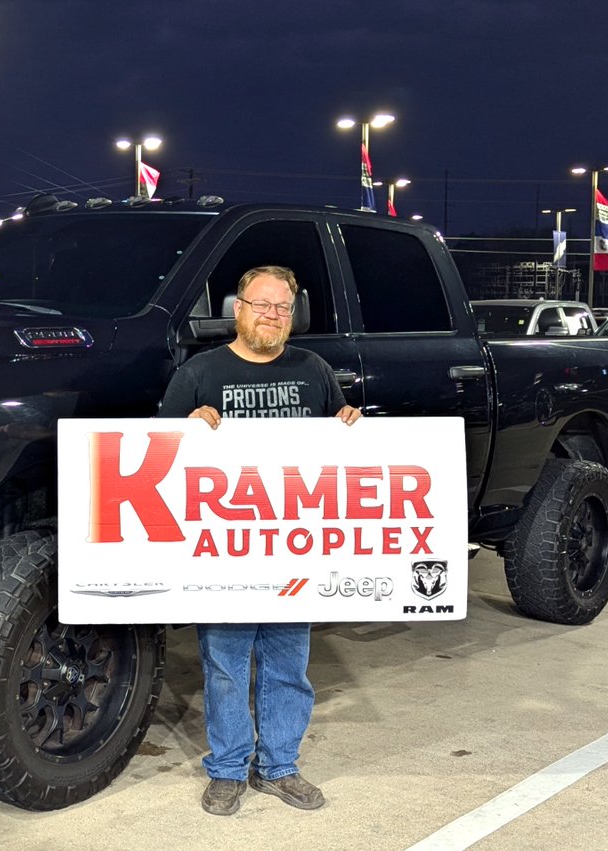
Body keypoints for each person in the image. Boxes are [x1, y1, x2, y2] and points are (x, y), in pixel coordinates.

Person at [159, 265, 362, 816]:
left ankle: (280, 768)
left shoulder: (313, 370)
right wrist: (187, 426)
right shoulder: (199, 373)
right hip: (223, 554)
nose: (272, 315)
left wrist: (348, 422)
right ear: (238, 308)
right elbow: (157, 456)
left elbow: (336, 456)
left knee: (287, 664)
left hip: (293, 551)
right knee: (224, 663)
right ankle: (227, 770)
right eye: (261, 304)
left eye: (283, 308)